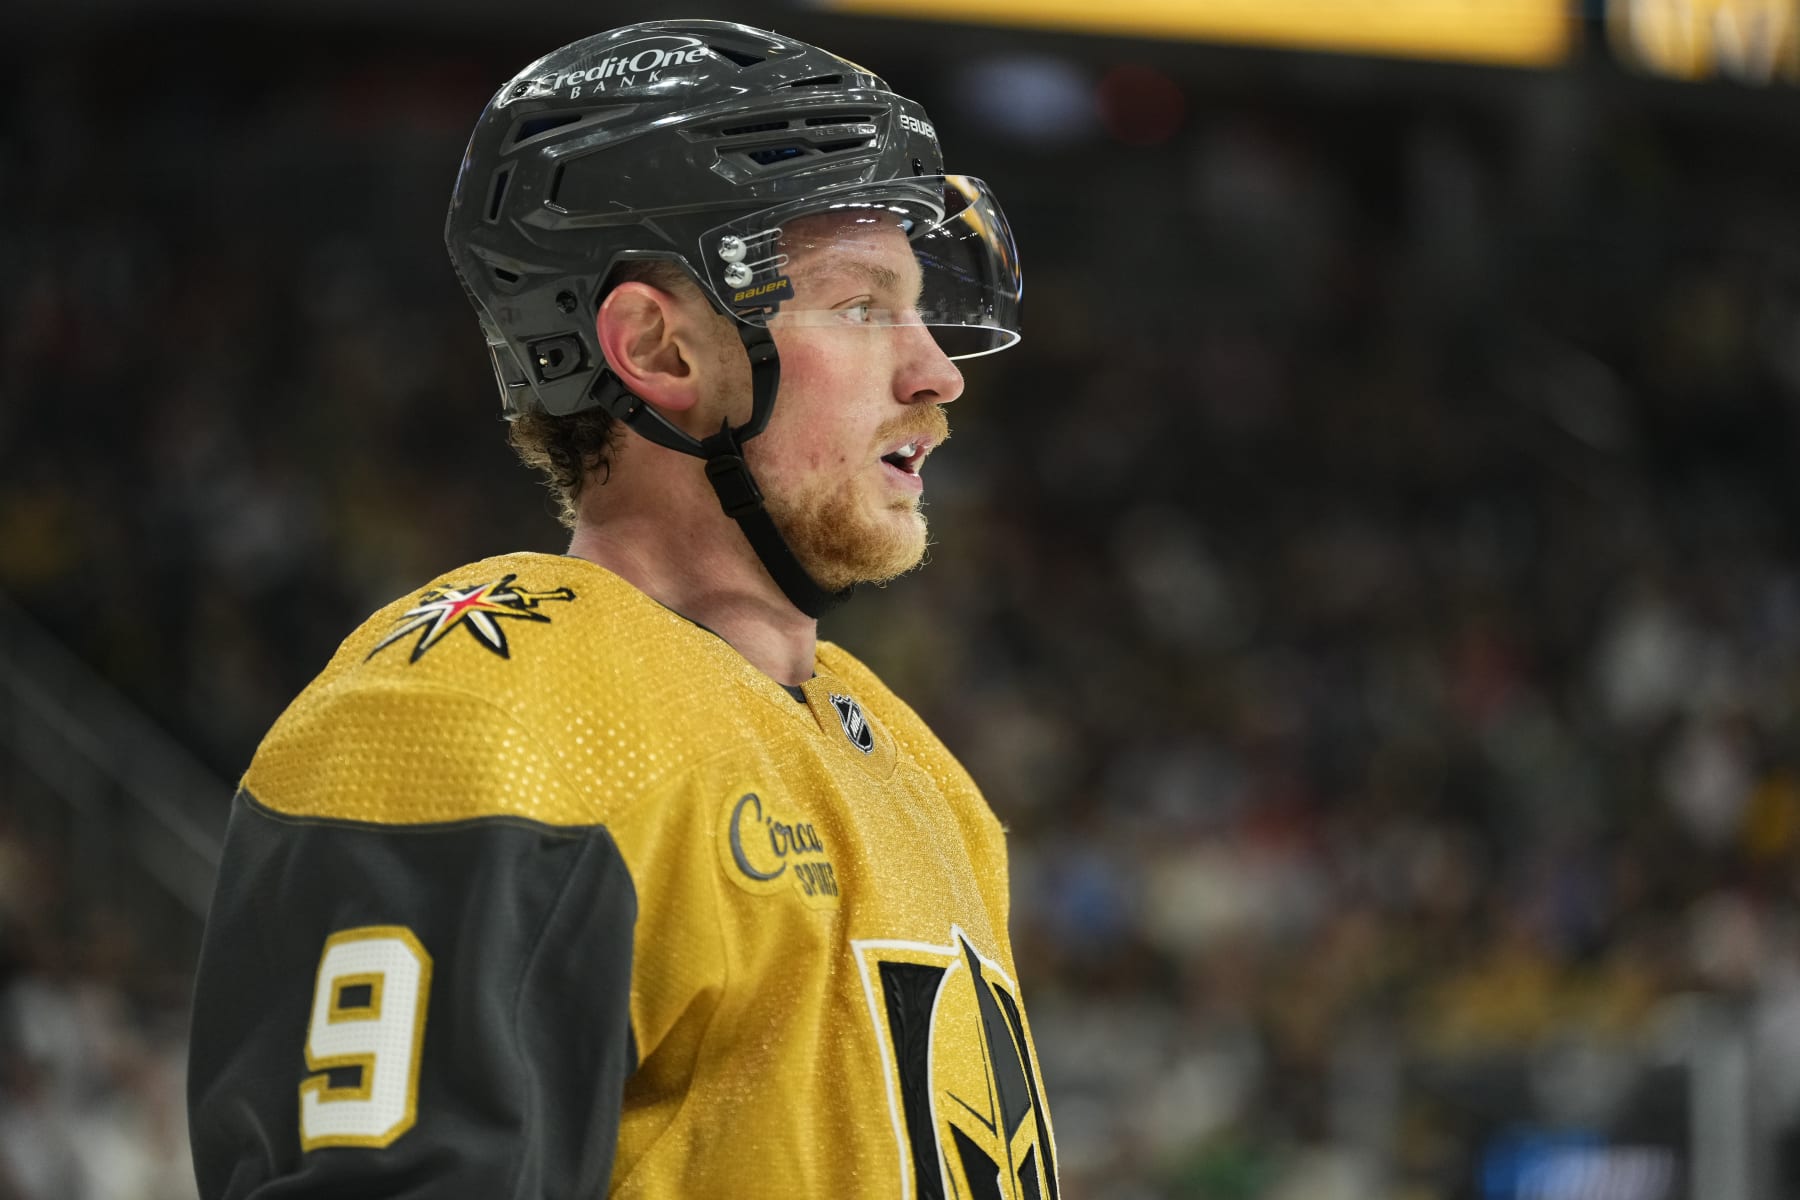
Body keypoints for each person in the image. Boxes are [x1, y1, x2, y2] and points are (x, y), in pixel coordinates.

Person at [185, 17, 1057, 1200]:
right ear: (659, 347)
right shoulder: (476, 711)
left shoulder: (919, 771)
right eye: (861, 308)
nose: (937, 373)